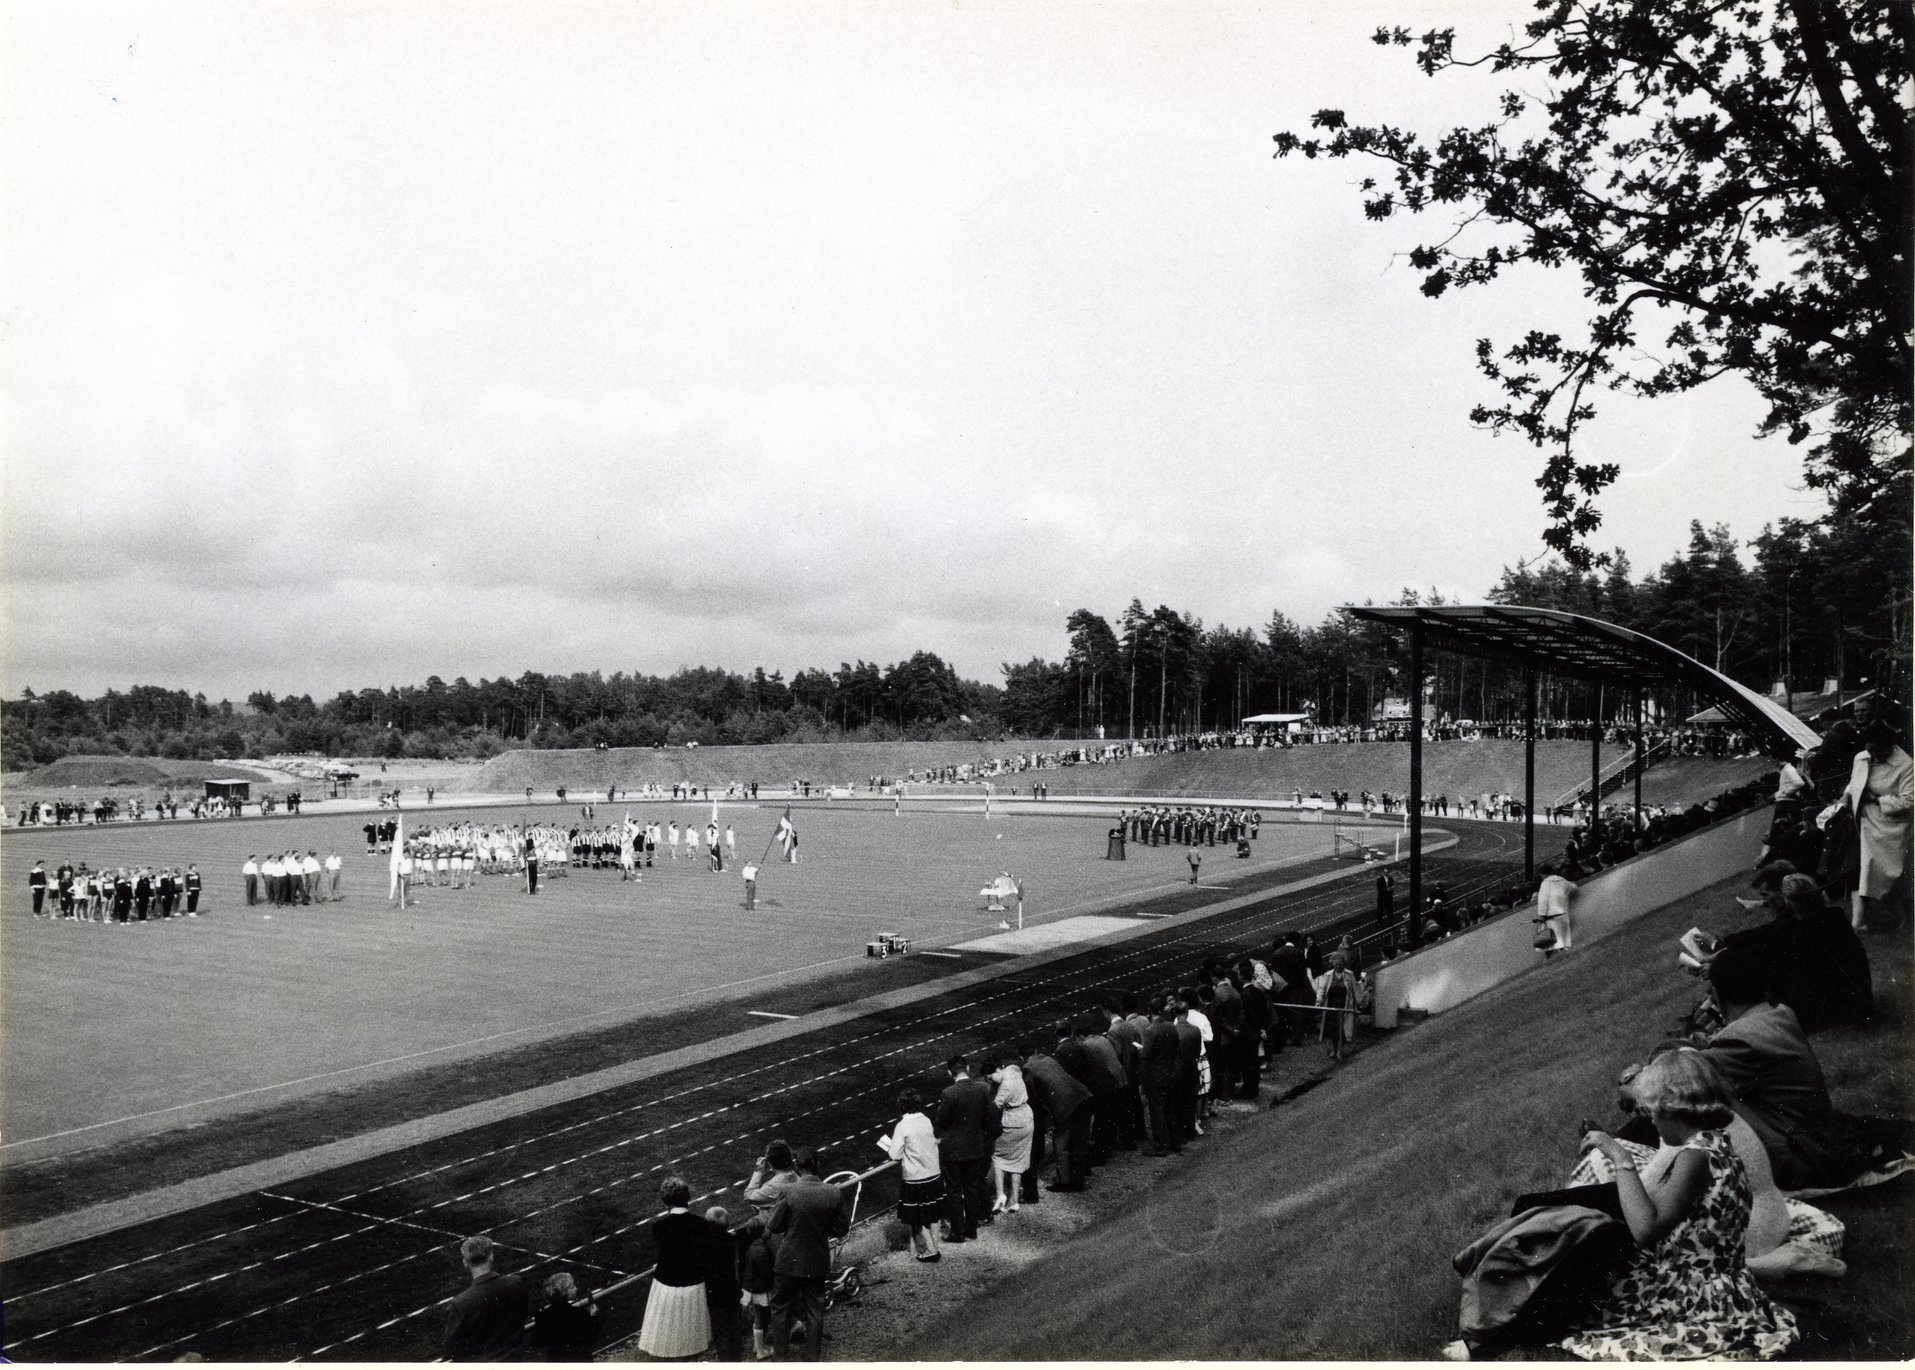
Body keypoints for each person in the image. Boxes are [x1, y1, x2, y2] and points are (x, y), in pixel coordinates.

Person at [1555, 1052, 1797, 1360]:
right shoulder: (1718, 1143)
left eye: (1653, 1113)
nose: (1652, 1121)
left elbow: (1646, 1230)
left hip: (1693, 1295)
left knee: (1586, 1307)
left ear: (1671, 1109)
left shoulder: (1693, 1157)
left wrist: (1619, 1158)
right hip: (1731, 1289)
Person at [1822, 699, 1911, 930]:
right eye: (1869, 750)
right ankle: (1857, 923)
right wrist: (1845, 798)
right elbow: (1854, 782)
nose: (1872, 756)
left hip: (1889, 827)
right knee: (1856, 871)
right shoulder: (1861, 757)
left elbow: (1909, 801)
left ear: (1889, 746)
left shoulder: (1906, 766)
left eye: (1877, 751)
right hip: (1859, 821)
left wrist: (1876, 800)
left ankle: (1905, 916)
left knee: (1891, 876)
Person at [766, 1149, 850, 1361]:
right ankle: (813, 1358)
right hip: (817, 1259)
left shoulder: (788, 1191)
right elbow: (841, 1228)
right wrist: (820, 1230)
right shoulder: (833, 1192)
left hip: (789, 1260)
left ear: (798, 1166)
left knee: (780, 1307)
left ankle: (780, 1357)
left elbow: (774, 1225)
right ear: (817, 1165)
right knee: (814, 1308)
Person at [636, 1176, 713, 1359]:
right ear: (687, 1197)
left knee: (668, 1331)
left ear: (665, 1201)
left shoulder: (659, 1227)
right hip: (693, 1283)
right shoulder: (702, 1224)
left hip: (666, 1284)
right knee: (690, 1334)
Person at [931, 1056, 996, 1242]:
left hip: (953, 1150)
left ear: (949, 1072)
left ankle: (957, 1231)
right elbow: (985, 1116)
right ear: (967, 1068)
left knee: (953, 1190)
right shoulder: (981, 1089)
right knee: (972, 1188)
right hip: (974, 1146)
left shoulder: (949, 1093)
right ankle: (971, 1229)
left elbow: (941, 1121)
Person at [877, 1088, 944, 1261]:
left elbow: (894, 1154)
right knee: (933, 1212)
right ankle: (935, 1245)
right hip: (933, 1172)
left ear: (902, 1106)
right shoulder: (926, 1120)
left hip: (915, 1177)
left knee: (918, 1216)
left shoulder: (902, 1126)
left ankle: (932, 1250)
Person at [442, 1234, 529, 1361]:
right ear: (491, 1256)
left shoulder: (461, 1302)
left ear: (465, 1263)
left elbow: (452, 1347)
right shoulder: (516, 1282)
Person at [1020, 1039, 1092, 1191]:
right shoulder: (1048, 1058)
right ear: (1035, 1051)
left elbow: (1035, 1097)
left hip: (1065, 1105)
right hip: (1083, 1096)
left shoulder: (1027, 1068)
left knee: (1061, 1143)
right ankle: (1078, 1179)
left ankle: (1064, 1181)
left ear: (1022, 1057)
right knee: (1079, 1141)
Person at [988, 1055, 1034, 1212]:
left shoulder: (1005, 1086)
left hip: (1013, 1120)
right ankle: (1014, 1199)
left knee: (999, 1157)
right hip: (1027, 1117)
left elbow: (995, 1107)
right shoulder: (1013, 1070)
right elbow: (1016, 1069)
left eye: (990, 1077)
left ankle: (1000, 1194)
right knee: (1018, 1160)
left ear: (996, 1071)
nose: (991, 1081)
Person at [700, 1206, 746, 1361]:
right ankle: (735, 1357)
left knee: (721, 1329)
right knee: (734, 1326)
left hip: (714, 1292)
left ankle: (725, 1358)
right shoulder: (731, 1240)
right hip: (731, 1288)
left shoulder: (704, 1242)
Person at [529, 1271, 599, 1362]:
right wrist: (593, 1316)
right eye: (572, 1287)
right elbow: (592, 1339)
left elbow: (537, 1342)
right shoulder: (579, 1313)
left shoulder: (542, 1317)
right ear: (564, 1292)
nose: (576, 1289)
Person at [735, 1213, 777, 1361]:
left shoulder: (752, 1247)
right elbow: (766, 1272)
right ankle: (760, 1350)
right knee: (760, 1317)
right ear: (762, 1231)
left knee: (760, 1315)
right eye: (766, 1228)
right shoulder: (761, 1250)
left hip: (751, 1287)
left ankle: (758, 1345)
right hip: (760, 1288)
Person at [1318, 951, 1362, 1063]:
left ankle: (1340, 1049)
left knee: (1344, 1028)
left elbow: (1356, 989)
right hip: (1332, 1005)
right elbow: (1322, 988)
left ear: (1343, 964)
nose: (1338, 967)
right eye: (1336, 964)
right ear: (1333, 964)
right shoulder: (1328, 975)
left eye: (1340, 964)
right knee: (1333, 1028)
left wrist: (1359, 1003)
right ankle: (1334, 1048)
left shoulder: (1349, 975)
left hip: (1345, 1004)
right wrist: (1319, 1001)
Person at [745, 1140, 800, 1214]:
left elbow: (748, 1195)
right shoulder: (799, 1179)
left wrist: (758, 1172)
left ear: (770, 1163)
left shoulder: (772, 1187)